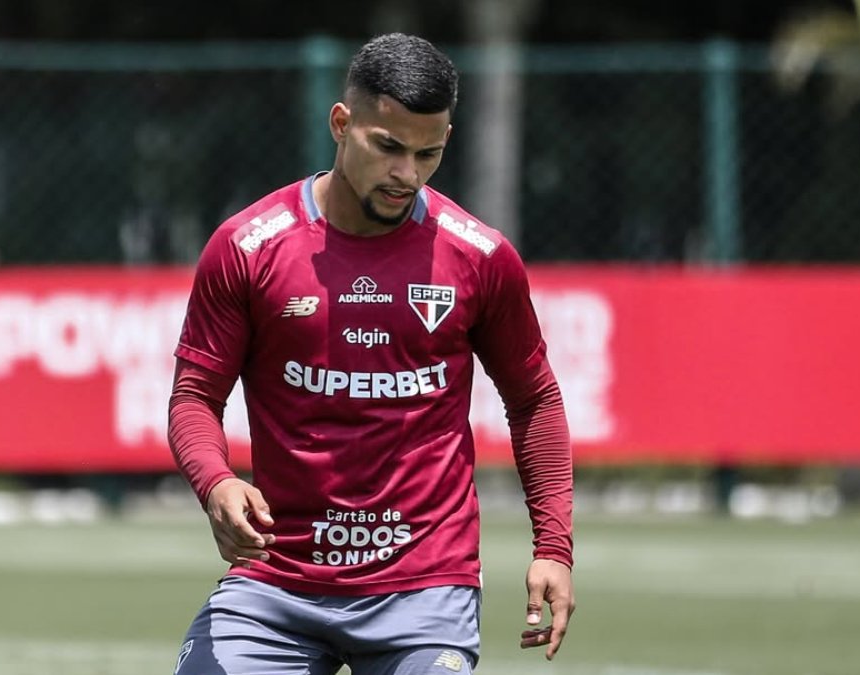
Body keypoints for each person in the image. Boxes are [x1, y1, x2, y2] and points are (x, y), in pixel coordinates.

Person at [167, 32, 575, 674]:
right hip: (276, 582)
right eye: (388, 147)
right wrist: (216, 482)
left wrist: (553, 547)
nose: (406, 175)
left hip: (425, 587)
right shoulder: (247, 248)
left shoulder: (480, 258)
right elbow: (194, 397)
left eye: (428, 153)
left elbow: (534, 401)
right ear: (341, 123)